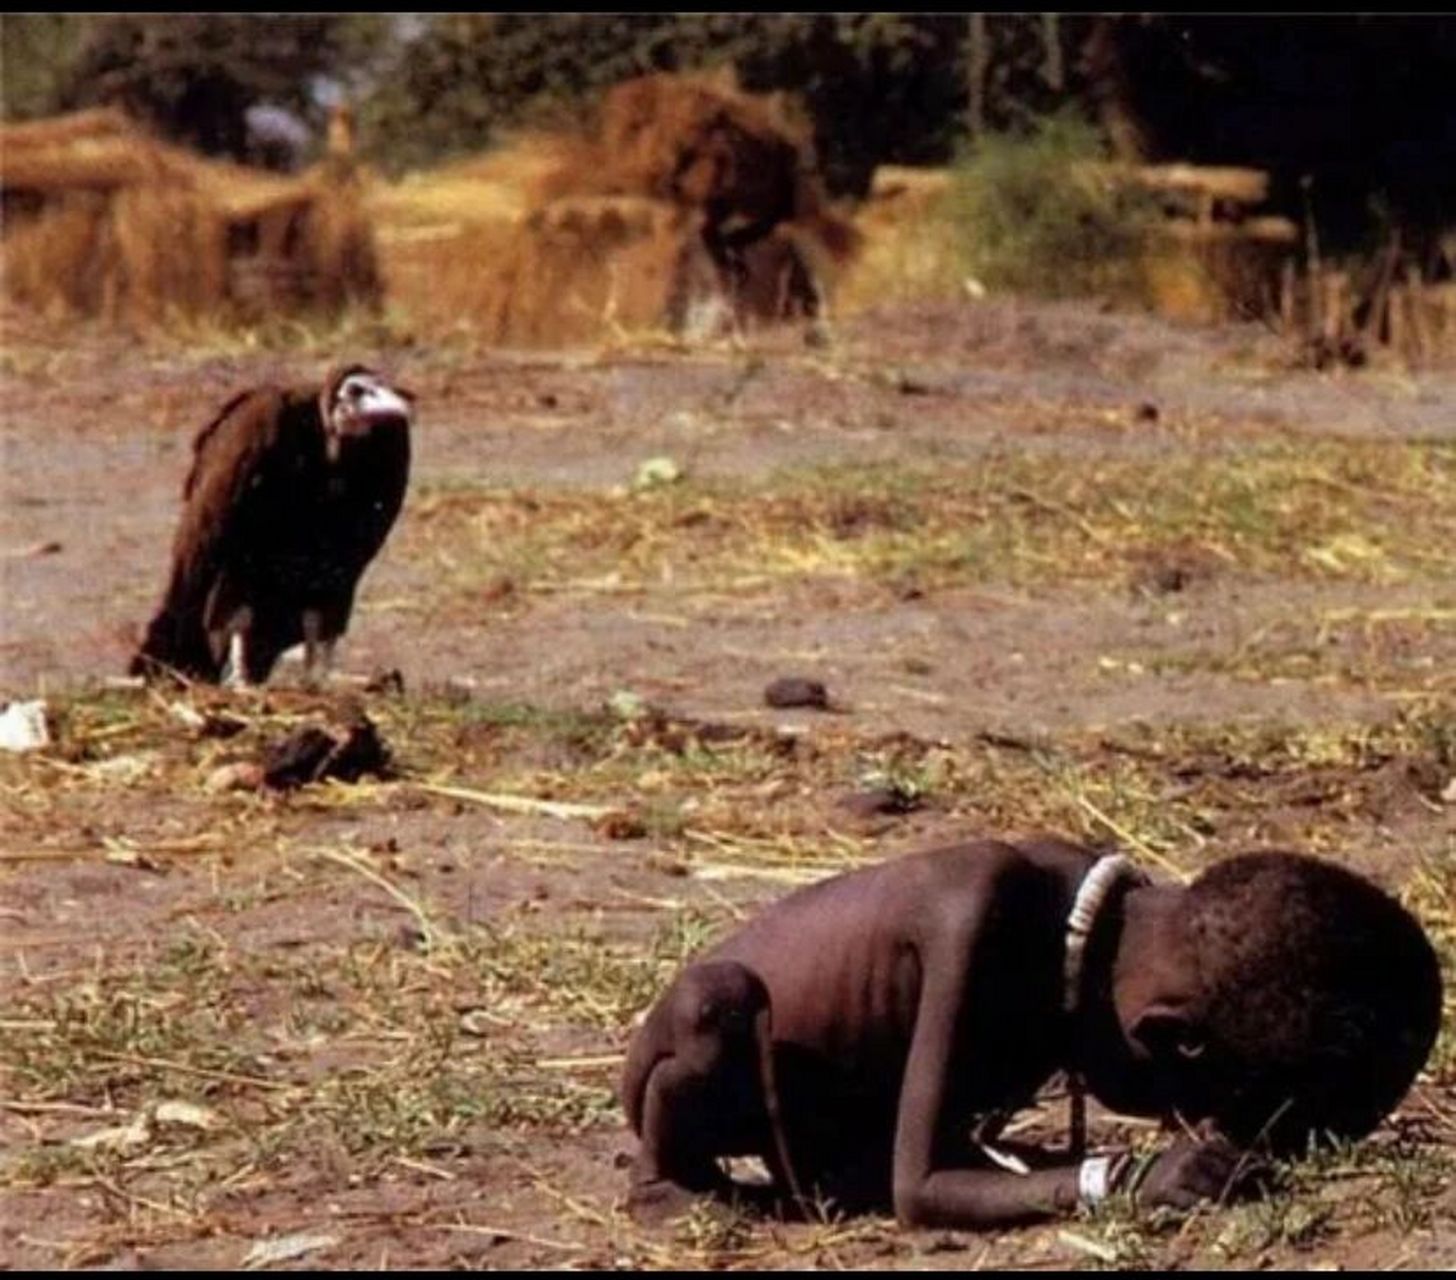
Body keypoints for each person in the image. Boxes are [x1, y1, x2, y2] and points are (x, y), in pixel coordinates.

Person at [620, 837, 1442, 1228]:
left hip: (840, 1115)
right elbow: (921, 1191)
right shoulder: (981, 913)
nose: (1177, 1129)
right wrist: (1111, 1181)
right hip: (718, 1070)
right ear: (1167, 1039)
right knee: (710, 1012)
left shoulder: (1104, 934)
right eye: (1186, 1109)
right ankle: (666, 1180)